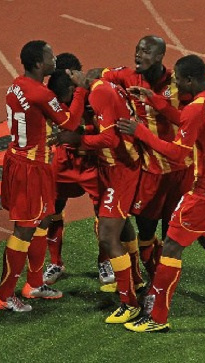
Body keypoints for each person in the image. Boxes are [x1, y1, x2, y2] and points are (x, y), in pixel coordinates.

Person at [117, 54, 205, 332]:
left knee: (171, 244)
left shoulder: (196, 109)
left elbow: (176, 151)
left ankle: (157, 318)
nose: (174, 86)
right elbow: (187, 120)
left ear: (189, 80)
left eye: (177, 81)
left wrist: (140, 132)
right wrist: (154, 99)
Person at [0, 40, 86, 312]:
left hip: (25, 162)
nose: (54, 59)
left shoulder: (17, 85)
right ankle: (4, 295)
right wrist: (79, 91)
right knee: (24, 228)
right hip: (30, 169)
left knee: (43, 218)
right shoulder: (41, 94)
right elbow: (70, 122)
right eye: (49, 56)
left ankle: (33, 284)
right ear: (37, 64)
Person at [99, 35, 195, 284]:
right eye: (137, 49)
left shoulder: (179, 82)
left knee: (175, 236)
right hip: (151, 171)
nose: (138, 55)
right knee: (146, 232)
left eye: (145, 51)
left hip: (180, 171)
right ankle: (151, 274)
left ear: (160, 56)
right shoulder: (127, 77)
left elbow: (189, 119)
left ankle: (161, 287)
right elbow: (98, 76)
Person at [57, 71, 143, 324]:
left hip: (119, 170)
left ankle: (130, 304)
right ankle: (135, 280)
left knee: (107, 234)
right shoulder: (105, 87)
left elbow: (110, 138)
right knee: (121, 225)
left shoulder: (99, 92)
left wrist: (79, 140)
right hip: (114, 167)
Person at [43, 53, 115, 287]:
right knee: (53, 209)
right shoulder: (55, 92)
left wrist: (81, 133)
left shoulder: (94, 93)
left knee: (103, 215)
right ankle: (55, 262)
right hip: (64, 161)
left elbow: (104, 128)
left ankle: (104, 262)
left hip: (92, 162)